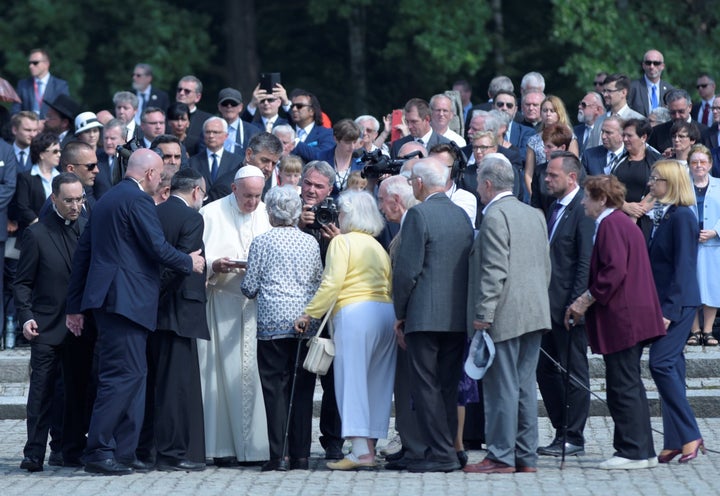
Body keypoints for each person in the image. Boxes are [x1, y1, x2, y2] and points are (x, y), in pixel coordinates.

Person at [65, 148, 205, 475]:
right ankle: (99, 451)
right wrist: (190, 261)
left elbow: (83, 256)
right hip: (126, 301)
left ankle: (123, 452)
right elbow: (155, 246)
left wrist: (76, 306)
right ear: (149, 174)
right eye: (159, 174)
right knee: (122, 376)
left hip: (111, 301)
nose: (161, 181)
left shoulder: (105, 201)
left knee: (134, 376)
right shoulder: (139, 200)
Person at [566, 175, 665, 470]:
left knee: (622, 385)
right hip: (629, 315)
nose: (584, 202)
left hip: (624, 317)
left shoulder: (611, 224)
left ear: (602, 199)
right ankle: (641, 449)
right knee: (627, 383)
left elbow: (612, 272)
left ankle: (632, 450)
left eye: (588, 197)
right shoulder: (619, 222)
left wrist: (583, 301)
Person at [296, 190, 396, 471]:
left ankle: (360, 452)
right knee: (377, 384)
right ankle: (370, 447)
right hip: (384, 312)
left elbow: (332, 283)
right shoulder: (377, 245)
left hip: (354, 312)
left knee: (350, 382)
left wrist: (309, 313)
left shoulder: (341, 242)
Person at [463, 154, 551, 475]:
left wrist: (483, 313)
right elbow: (546, 266)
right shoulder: (534, 214)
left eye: (478, 184)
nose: (477, 189)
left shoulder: (495, 216)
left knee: (502, 387)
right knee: (525, 387)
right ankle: (526, 456)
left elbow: (494, 270)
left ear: (487, 184)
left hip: (504, 314)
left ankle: (501, 455)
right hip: (534, 312)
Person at [392, 157, 474, 473]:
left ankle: (441, 454)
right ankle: (449, 449)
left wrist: (400, 312)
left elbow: (407, 271)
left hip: (424, 316)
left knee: (425, 386)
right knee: (448, 386)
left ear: (420, 183)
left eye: (413, 179)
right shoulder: (461, 215)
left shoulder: (418, 214)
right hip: (455, 317)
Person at [240, 185, 323, 472]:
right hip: (304, 322)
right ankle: (301, 455)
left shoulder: (262, 242)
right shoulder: (310, 242)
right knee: (302, 389)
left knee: (275, 389)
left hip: (272, 323)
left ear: (270, 211)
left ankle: (279, 455)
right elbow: (318, 280)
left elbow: (249, 287)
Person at [136, 168, 209, 472]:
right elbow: (180, 263)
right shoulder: (192, 218)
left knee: (152, 383)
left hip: (149, 311)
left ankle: (146, 450)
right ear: (195, 192)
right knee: (176, 387)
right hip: (176, 311)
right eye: (202, 194)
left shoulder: (154, 212)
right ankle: (173, 452)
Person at [197, 165, 271, 466]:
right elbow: (199, 256)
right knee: (217, 375)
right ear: (234, 190)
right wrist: (216, 264)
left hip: (256, 308)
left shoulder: (267, 212)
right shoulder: (210, 213)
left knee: (252, 376)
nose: (252, 203)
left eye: (257, 196)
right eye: (247, 196)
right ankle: (222, 447)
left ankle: (255, 448)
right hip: (222, 302)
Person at [16, 173, 86, 473]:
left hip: (81, 328)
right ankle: (34, 452)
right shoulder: (37, 234)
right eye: (68, 200)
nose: (75, 206)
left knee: (76, 392)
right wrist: (26, 316)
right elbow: (21, 283)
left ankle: (69, 450)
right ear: (53, 199)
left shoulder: (88, 228)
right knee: (42, 393)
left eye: (79, 199)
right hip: (46, 326)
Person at [645, 160, 705, 464]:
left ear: (669, 183)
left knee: (661, 363)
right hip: (667, 301)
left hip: (678, 304)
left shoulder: (682, 217)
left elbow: (684, 267)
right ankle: (674, 440)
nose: (650, 184)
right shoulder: (669, 215)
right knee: (674, 368)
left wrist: (669, 309)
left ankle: (691, 433)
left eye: (655, 179)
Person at [536, 151, 593, 459]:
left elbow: (585, 260)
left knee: (573, 371)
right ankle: (562, 428)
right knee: (545, 369)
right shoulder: (553, 207)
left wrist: (577, 303)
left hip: (569, 307)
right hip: (546, 305)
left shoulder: (582, 209)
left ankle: (574, 435)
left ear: (572, 177)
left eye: (553, 175)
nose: (547, 178)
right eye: (546, 174)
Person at [688, 145, 720, 346]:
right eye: (694, 162)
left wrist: (715, 231)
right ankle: (694, 330)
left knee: (711, 286)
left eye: (702, 162)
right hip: (688, 243)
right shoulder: (682, 184)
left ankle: (708, 331)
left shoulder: (719, 185)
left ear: (710, 164)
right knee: (691, 286)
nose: (698, 166)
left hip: (713, 243)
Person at [524, 95, 579, 196]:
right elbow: (528, 173)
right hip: (540, 187)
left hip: (563, 188)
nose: (548, 114)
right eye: (545, 110)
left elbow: (574, 166)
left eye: (552, 111)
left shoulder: (570, 137)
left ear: (559, 113)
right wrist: (534, 195)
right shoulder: (533, 140)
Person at [615, 118, 661, 238]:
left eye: (629, 136)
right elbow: (610, 189)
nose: (625, 139)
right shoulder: (619, 161)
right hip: (619, 217)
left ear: (643, 137)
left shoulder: (657, 161)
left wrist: (635, 213)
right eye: (623, 135)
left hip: (646, 221)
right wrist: (624, 205)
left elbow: (657, 191)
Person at [14, 132, 60, 233]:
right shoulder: (25, 177)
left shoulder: (61, 177)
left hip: (59, 232)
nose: (59, 155)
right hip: (34, 232)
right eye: (55, 151)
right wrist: (40, 226)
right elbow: (22, 207)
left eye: (60, 151)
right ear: (42, 154)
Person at [11, 49, 70, 119]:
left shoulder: (60, 86)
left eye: (35, 63)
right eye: (29, 63)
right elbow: (15, 111)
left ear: (46, 64)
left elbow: (64, 112)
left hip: (51, 128)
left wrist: (47, 123)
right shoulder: (23, 85)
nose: (31, 66)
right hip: (28, 128)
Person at [628, 49, 674, 117]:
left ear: (662, 66)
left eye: (656, 63)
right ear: (643, 65)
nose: (652, 67)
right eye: (648, 63)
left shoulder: (670, 90)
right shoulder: (632, 87)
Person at [217, 87, 260, 157]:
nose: (229, 106)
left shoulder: (253, 132)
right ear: (219, 107)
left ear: (240, 107)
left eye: (233, 103)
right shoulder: (210, 130)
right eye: (225, 103)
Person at [175, 75, 213, 142]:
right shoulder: (164, 116)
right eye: (179, 90)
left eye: (187, 91)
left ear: (197, 97)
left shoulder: (208, 121)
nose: (181, 93)